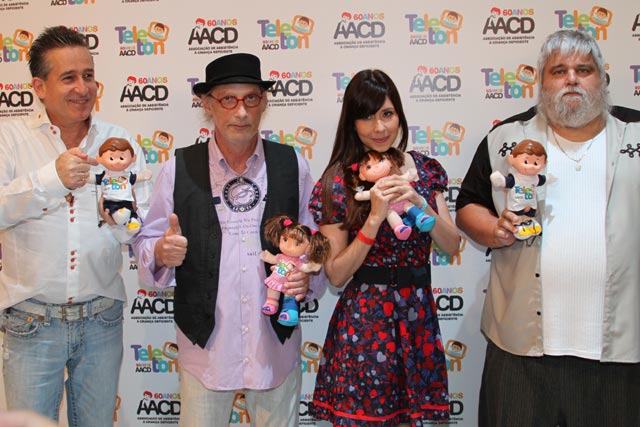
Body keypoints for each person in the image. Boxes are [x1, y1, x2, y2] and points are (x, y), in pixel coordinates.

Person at [455, 29, 640, 426]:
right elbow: (468, 205)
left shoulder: (636, 132)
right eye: (559, 71)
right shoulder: (506, 138)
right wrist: (495, 230)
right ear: (541, 82)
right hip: (520, 350)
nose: (571, 79)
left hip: (622, 353)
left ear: (603, 78)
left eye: (584, 70)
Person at [132, 52, 324, 427]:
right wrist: (161, 251)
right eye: (228, 100)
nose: (241, 112)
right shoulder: (177, 169)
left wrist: (307, 277)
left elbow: (314, 240)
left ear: (264, 102)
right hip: (206, 349)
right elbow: (146, 242)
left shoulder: (292, 165)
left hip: (274, 347)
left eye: (251, 98)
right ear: (207, 104)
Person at [0, 26, 149, 426]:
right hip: (30, 321)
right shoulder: (8, 138)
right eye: (68, 77)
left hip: (102, 318)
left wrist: (120, 220)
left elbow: (139, 225)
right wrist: (52, 179)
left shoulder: (118, 140)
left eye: (88, 75)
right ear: (39, 86)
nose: (83, 88)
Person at [308, 69, 460, 426]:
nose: (379, 127)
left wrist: (418, 201)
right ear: (352, 122)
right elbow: (336, 274)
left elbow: (451, 243)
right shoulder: (337, 181)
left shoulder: (423, 169)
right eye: (367, 116)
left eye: (387, 114)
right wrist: (374, 219)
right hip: (366, 322)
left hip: (418, 317)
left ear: (399, 115)